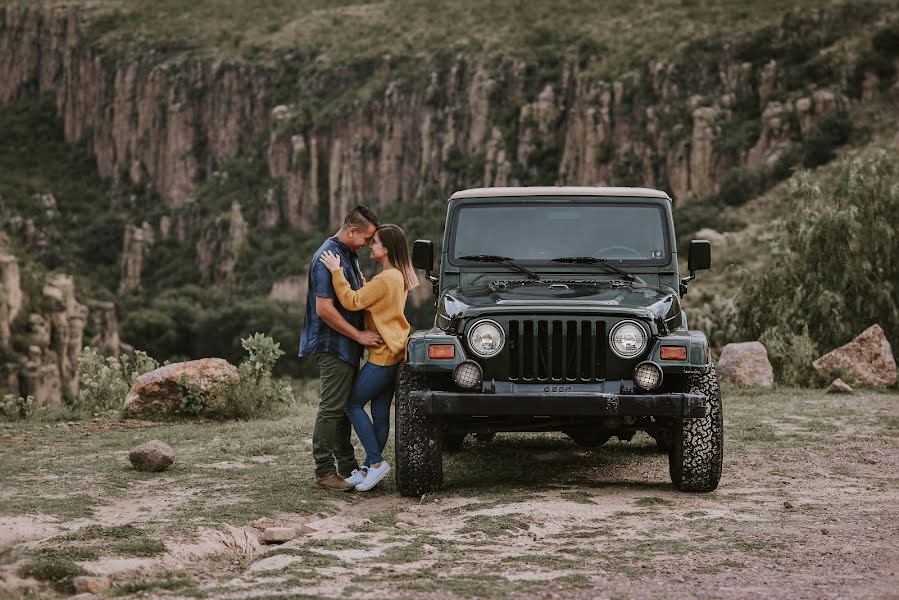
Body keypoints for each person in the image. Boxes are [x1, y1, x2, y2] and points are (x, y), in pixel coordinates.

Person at [319, 224, 418, 491]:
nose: (370, 245)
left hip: (382, 355)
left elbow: (352, 301)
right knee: (380, 411)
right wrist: (363, 280)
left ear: (386, 248)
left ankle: (375, 463)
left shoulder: (386, 279)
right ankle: (367, 467)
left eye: (374, 242)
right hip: (396, 351)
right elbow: (376, 301)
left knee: (352, 404)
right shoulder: (396, 276)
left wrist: (336, 271)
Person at [299, 205, 383, 491]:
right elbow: (324, 309)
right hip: (334, 345)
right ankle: (324, 471)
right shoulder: (327, 257)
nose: (369, 244)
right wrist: (359, 335)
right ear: (351, 231)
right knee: (331, 408)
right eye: (367, 238)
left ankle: (346, 467)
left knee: (343, 407)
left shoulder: (348, 254)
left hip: (346, 346)